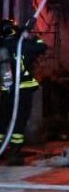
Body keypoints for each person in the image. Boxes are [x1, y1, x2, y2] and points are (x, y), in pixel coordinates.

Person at [0, 18, 47, 165]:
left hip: (6, 91)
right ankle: (14, 153)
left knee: (2, 120)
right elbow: (42, 47)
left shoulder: (2, 47)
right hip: (23, 90)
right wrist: (31, 37)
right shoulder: (23, 45)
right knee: (19, 121)